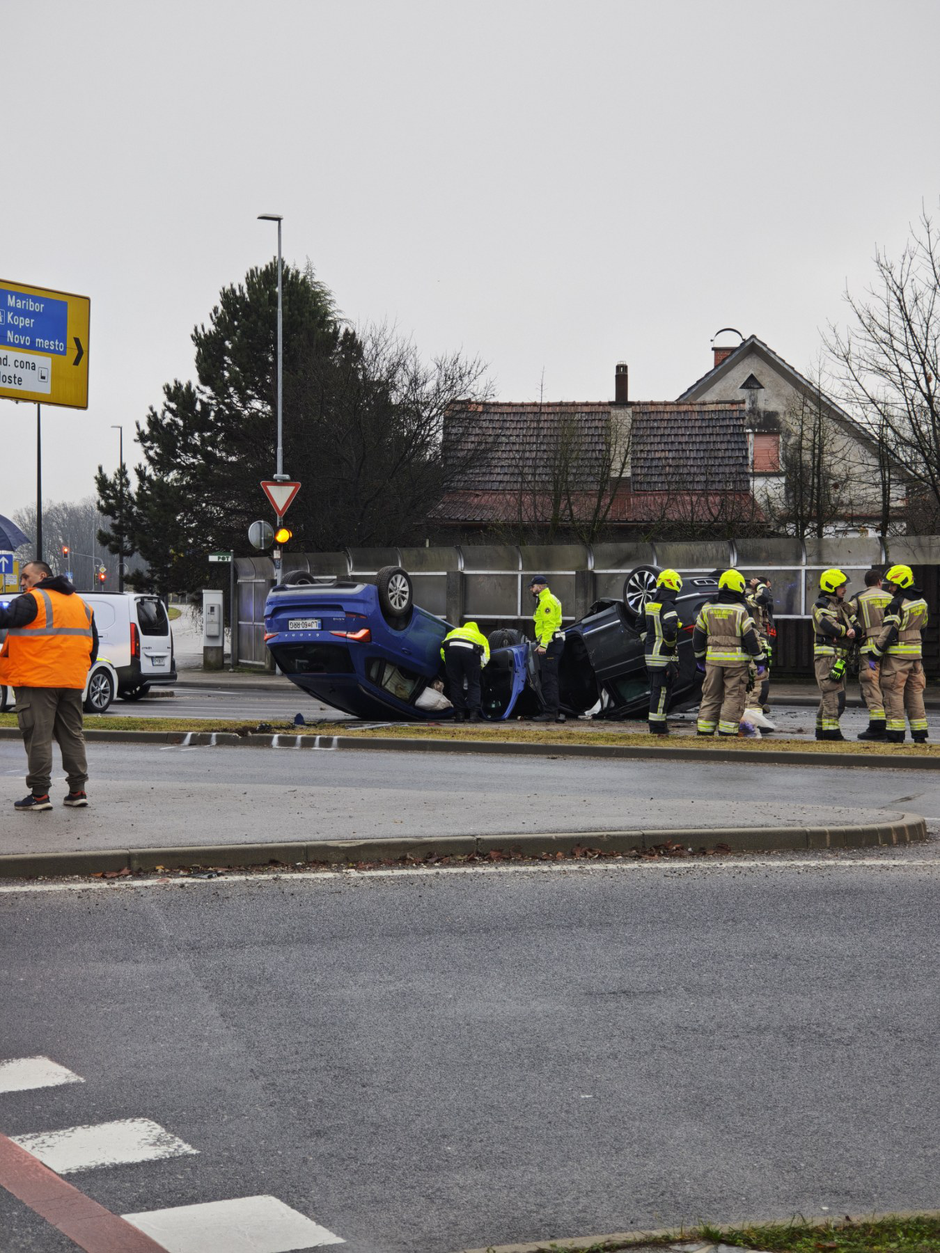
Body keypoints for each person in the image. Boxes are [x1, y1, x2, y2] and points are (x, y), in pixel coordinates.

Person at [0, 561, 98, 811]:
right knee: (72, 736)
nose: (22, 582)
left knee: (37, 737)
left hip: (37, 681)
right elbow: (92, 646)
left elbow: (4, 618)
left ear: (42, 576)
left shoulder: (33, 600)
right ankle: (77, 791)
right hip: (71, 682)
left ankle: (40, 795)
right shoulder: (81, 604)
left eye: (25, 576)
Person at [693, 569, 766, 736]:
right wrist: (760, 660)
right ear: (738, 587)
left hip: (712, 662)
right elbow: (751, 638)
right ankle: (727, 733)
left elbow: (698, 635)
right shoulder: (740, 610)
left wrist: (699, 658)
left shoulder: (707, 607)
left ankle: (704, 731)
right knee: (733, 697)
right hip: (737, 663)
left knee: (710, 696)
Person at [869, 564, 929, 744]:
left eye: (893, 585)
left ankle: (895, 735)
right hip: (916, 658)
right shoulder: (922, 602)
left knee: (893, 694)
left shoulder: (896, 604)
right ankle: (920, 734)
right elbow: (924, 628)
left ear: (902, 583)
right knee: (915, 695)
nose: (890, 588)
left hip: (896, 660)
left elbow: (888, 632)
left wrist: (874, 655)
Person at [811, 568, 858, 741]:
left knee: (829, 695)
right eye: (841, 586)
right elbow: (830, 627)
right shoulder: (820, 605)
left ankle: (822, 731)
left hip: (839, 657)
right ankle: (831, 733)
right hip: (827, 657)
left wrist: (852, 631)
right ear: (831, 587)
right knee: (834, 695)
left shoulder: (842, 607)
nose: (845, 589)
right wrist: (848, 631)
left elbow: (857, 625)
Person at [849, 568, 892, 741]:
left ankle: (876, 727)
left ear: (866, 583)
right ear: (880, 582)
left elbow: (846, 613)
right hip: (889, 648)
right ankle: (892, 723)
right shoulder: (891, 597)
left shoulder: (859, 597)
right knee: (888, 685)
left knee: (871, 685)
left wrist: (857, 630)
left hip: (869, 649)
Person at [639, 568, 682, 735]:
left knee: (656, 691)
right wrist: (670, 646)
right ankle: (658, 728)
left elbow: (639, 625)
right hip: (663, 657)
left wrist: (647, 641)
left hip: (651, 656)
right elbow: (670, 629)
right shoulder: (668, 605)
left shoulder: (650, 604)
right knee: (662, 693)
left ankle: (657, 726)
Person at [527, 575, 566, 723]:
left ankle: (550, 712)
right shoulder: (545, 599)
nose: (531, 589)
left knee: (549, 679)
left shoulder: (547, 601)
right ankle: (551, 711)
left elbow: (549, 625)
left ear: (540, 586)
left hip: (550, 643)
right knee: (550, 677)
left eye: (533, 586)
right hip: (552, 641)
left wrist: (544, 644)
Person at [440, 620, 490, 722]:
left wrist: (450, 665)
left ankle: (459, 715)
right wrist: (479, 668)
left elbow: (442, 650)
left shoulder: (454, 632)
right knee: (474, 683)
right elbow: (486, 655)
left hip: (451, 651)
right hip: (471, 652)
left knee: (455, 683)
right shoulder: (480, 636)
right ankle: (473, 715)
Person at [745, 577, 774, 713]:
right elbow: (762, 597)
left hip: (762, 647)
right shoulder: (748, 597)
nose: (769, 592)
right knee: (757, 684)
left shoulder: (764, 605)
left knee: (762, 684)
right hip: (753, 648)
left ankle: (756, 717)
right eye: (767, 588)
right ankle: (751, 721)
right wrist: (759, 585)